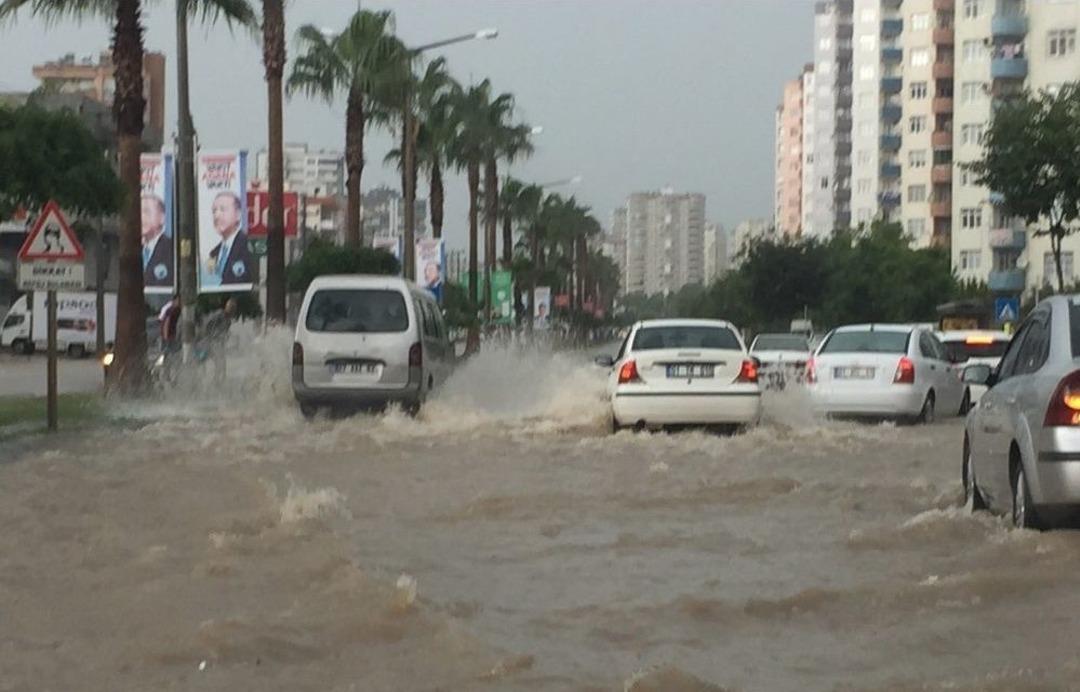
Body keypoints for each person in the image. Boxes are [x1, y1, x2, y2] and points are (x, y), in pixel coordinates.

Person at [207, 192, 253, 285]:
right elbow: (209, 279)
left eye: (223, 209)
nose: (217, 215)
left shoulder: (246, 245)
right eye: (214, 211)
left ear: (238, 214)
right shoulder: (213, 253)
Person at [202, 298, 237, 385]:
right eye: (231, 308)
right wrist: (209, 336)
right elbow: (207, 324)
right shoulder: (219, 314)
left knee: (222, 363)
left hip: (219, 343)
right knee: (217, 362)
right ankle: (215, 381)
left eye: (234, 309)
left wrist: (226, 339)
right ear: (227, 307)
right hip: (212, 342)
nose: (233, 311)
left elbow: (225, 332)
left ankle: (219, 381)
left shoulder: (228, 320)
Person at [141, 195, 173, 288]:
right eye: (139, 212)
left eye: (146, 212)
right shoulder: (134, 249)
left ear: (162, 218)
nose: (142, 217)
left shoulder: (172, 249)